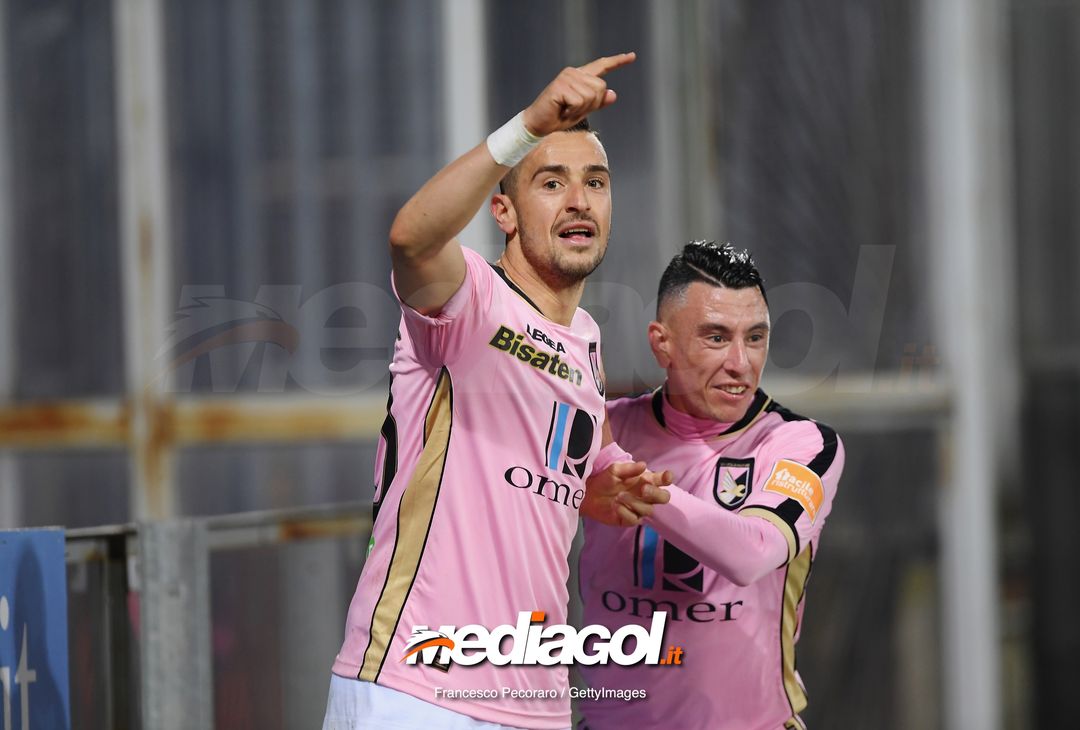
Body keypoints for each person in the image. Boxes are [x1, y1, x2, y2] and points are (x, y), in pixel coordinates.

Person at [324, 54, 669, 730]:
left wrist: (598, 486)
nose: (579, 201)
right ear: (504, 210)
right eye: (552, 182)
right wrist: (528, 125)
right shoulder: (472, 298)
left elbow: (567, 468)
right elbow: (411, 239)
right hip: (416, 691)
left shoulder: (587, 341)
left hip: (533, 703)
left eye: (595, 183)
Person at [577, 241, 845, 730]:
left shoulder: (800, 445)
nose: (741, 363)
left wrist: (630, 480)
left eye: (756, 337)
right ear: (663, 344)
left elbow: (753, 553)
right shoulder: (604, 430)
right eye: (717, 338)